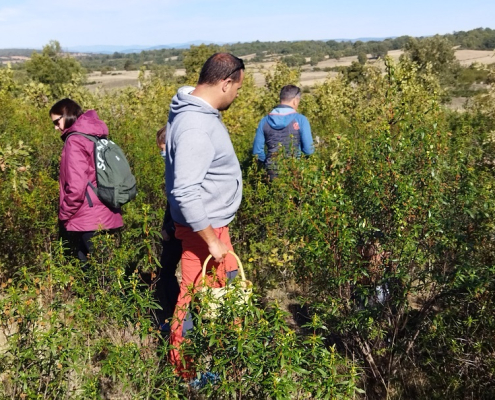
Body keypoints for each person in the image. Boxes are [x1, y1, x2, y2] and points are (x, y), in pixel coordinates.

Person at [164, 53, 244, 377]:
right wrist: (211, 239)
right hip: (204, 232)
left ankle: (213, 366)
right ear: (225, 83)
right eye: (237, 88)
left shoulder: (194, 112)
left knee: (216, 297)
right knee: (195, 301)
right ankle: (190, 375)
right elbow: (185, 191)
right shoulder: (196, 126)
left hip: (207, 227)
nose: (238, 94)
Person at [50, 98, 123, 268]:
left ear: (67, 115)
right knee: (101, 265)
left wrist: (64, 213)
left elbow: (76, 187)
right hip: (106, 208)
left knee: (101, 270)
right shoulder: (94, 135)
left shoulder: (74, 141)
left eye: (56, 121)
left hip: (88, 215)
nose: (55, 127)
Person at [252, 84, 314, 179]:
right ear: (295, 101)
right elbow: (309, 150)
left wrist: (268, 164)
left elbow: (257, 152)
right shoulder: (301, 120)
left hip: (271, 172)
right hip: (294, 171)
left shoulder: (264, 121)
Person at [154, 126, 182, 331]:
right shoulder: (174, 166)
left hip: (179, 230)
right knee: (166, 272)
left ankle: (178, 319)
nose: (163, 155)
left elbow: (183, 203)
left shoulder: (181, 167)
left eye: (164, 150)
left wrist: (170, 229)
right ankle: (179, 318)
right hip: (175, 228)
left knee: (166, 272)